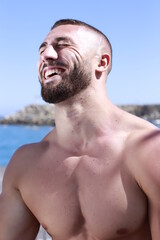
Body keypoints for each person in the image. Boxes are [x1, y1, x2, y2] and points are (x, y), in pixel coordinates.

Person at [0, 19, 159, 240]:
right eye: (42, 49)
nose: (47, 55)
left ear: (102, 62)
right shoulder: (25, 164)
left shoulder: (149, 150)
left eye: (63, 45)